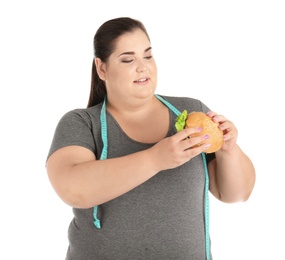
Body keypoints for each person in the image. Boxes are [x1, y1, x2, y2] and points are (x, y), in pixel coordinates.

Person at [46, 17, 256, 260]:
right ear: (102, 68)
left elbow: (236, 194)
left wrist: (228, 150)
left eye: (148, 56)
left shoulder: (189, 113)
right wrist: (156, 159)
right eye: (128, 59)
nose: (143, 67)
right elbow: (73, 189)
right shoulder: (81, 123)